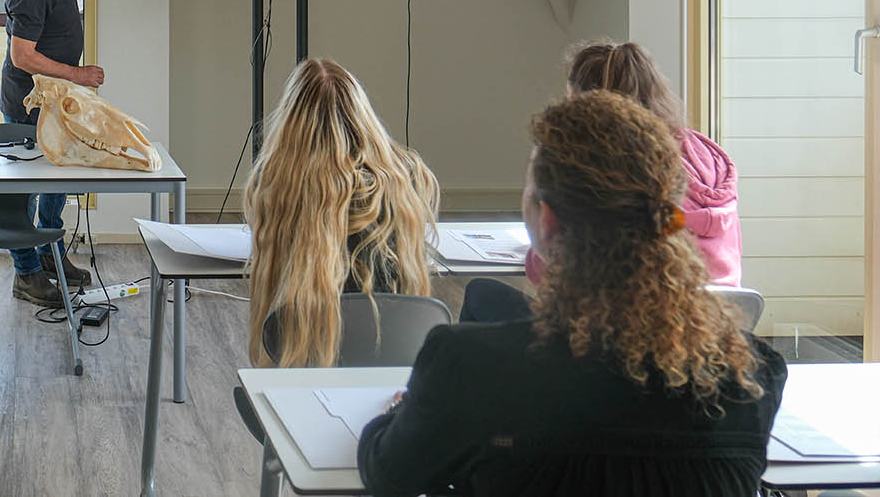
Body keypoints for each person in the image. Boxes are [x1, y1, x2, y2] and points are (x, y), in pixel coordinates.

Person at [357, 92, 786, 497]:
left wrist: (401, 412)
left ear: (547, 220)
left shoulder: (469, 367)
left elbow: (389, 474)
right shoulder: (754, 376)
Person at [241, 58, 439, 367]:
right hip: (394, 350)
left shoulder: (277, 181)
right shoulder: (409, 174)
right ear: (362, 115)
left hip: (308, 348)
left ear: (291, 120)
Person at [0, 0, 119, 307]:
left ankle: (50, 250)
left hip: (57, 100)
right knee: (26, 189)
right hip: (28, 103)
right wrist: (77, 74)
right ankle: (26, 273)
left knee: (57, 177)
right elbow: (22, 55)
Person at [566, 40, 741, 285]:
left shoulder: (613, 166)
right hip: (725, 304)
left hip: (650, 305)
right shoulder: (705, 155)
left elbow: (557, 269)